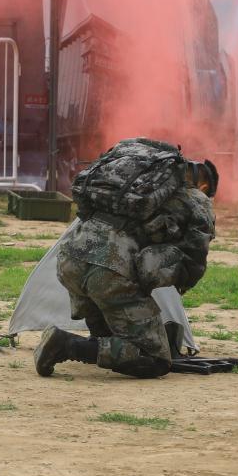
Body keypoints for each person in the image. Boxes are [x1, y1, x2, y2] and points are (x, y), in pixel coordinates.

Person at [36, 138, 217, 379]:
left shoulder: (131, 186)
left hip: (70, 260)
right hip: (109, 273)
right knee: (155, 359)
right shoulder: (195, 200)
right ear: (204, 186)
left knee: (108, 338)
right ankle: (65, 345)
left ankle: (93, 344)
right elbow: (193, 260)